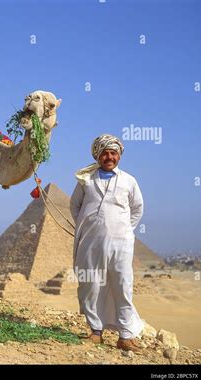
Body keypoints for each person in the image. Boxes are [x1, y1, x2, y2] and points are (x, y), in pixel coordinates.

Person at [70, 134, 144, 352]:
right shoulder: (85, 179)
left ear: (119, 155)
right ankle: (95, 331)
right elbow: (75, 206)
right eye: (105, 153)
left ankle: (126, 336)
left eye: (113, 153)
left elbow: (138, 208)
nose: (109, 157)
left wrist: (124, 229)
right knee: (91, 285)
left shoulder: (129, 181)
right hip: (91, 242)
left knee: (122, 285)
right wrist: (87, 225)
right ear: (98, 155)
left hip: (122, 243)